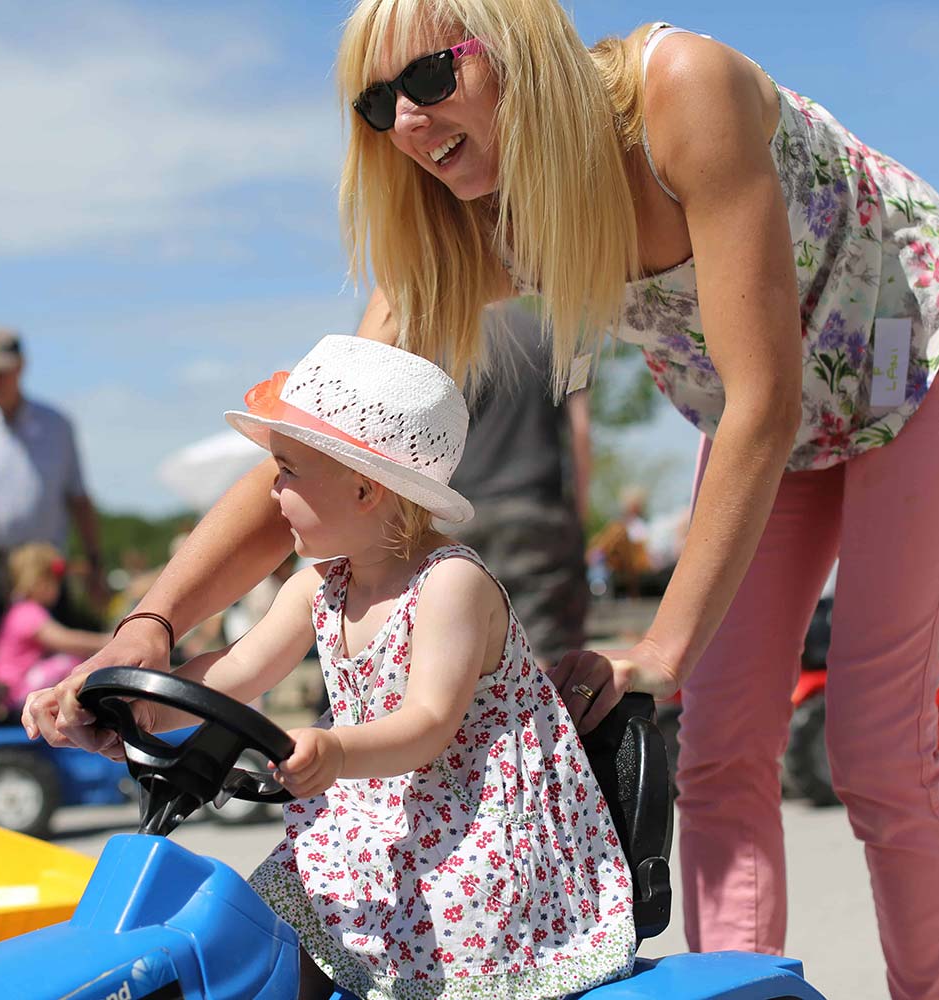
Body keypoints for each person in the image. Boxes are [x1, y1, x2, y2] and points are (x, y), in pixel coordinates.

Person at [30, 6, 939, 997]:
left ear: (516, 50)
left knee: (875, 749)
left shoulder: (681, 94)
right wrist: (150, 627)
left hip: (919, 358)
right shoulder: (468, 229)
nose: (407, 121)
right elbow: (317, 446)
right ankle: (744, 985)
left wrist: (661, 648)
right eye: (378, 104)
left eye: (429, 78)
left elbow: (766, 397)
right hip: (765, 416)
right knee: (716, 752)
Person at [80, 337, 635, 999]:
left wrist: (338, 750)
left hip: (473, 836)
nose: (272, 490)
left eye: (287, 471)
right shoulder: (319, 586)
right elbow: (234, 671)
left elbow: (428, 723)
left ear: (366, 489)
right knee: (255, 935)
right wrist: (132, 705)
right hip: (370, 826)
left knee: (416, 929)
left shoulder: (450, 585)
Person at [445, 298, 591, 667]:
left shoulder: (444, 341)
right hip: (536, 511)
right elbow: (580, 429)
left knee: (459, 657)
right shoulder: (563, 339)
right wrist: (579, 514)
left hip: (455, 517)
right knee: (544, 656)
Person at [0, 327, 107, 657]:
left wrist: (94, 562)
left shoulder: (56, 425)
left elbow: (78, 497)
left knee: (54, 663)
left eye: (0, 371)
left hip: (43, 564)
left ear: (20, 366)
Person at [0, 542, 112, 711]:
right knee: (70, 664)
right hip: (17, 690)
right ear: (39, 581)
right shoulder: (28, 612)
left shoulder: (20, 608)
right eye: (56, 581)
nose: (59, 587)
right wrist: (106, 641)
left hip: (15, 688)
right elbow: (64, 640)